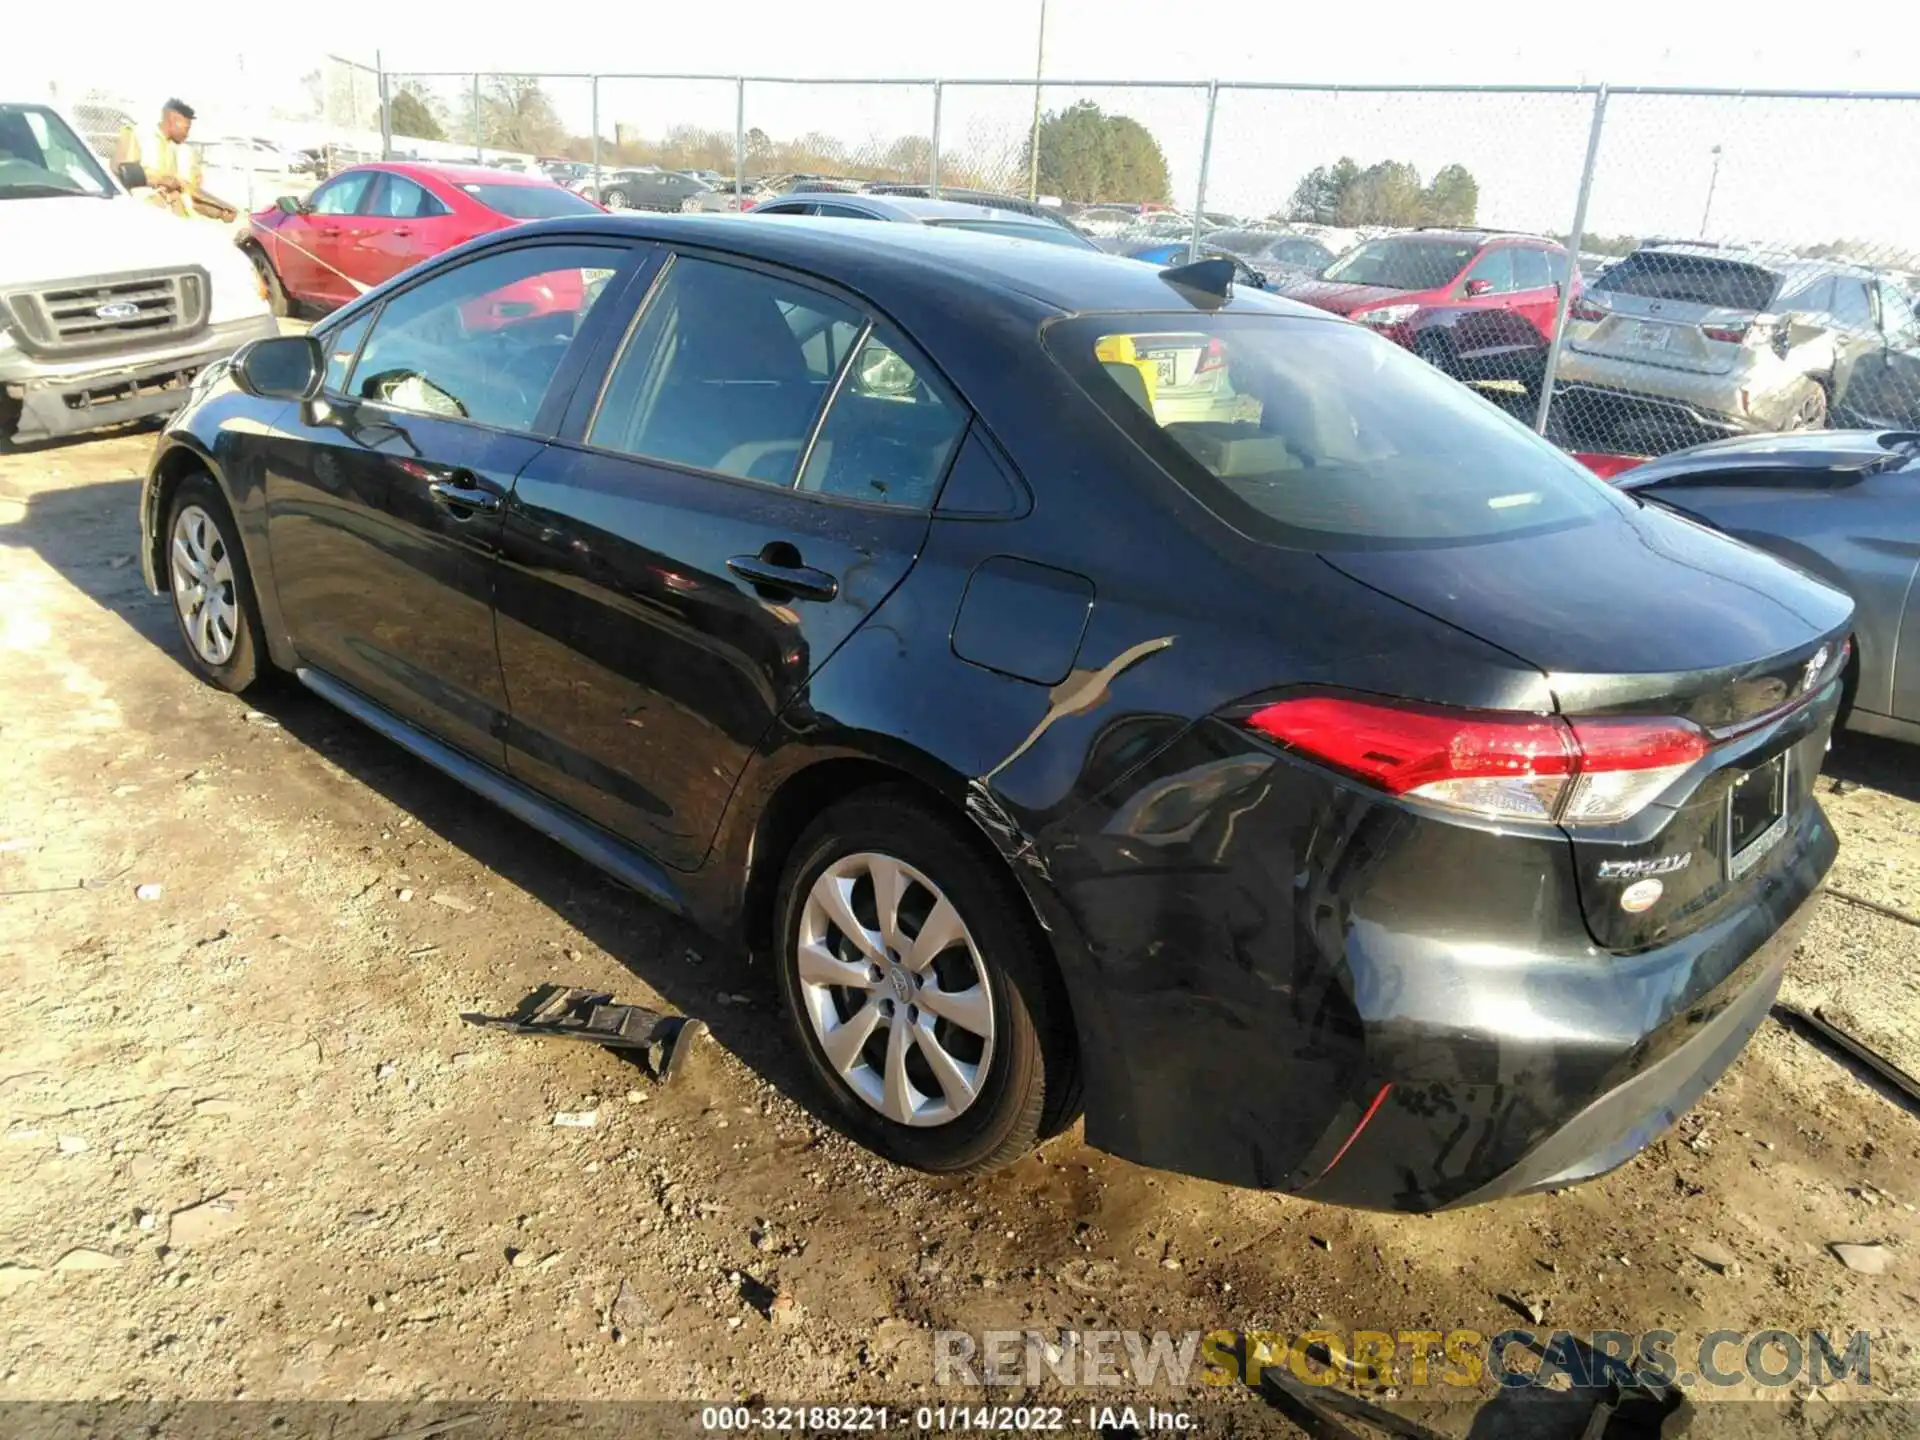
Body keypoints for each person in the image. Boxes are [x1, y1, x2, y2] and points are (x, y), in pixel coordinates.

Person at [115, 98, 228, 221]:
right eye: (186, 128)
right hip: (144, 214)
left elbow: (187, 194)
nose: (187, 134)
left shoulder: (175, 149)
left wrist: (219, 212)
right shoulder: (139, 135)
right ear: (173, 119)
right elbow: (121, 171)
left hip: (172, 217)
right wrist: (160, 180)